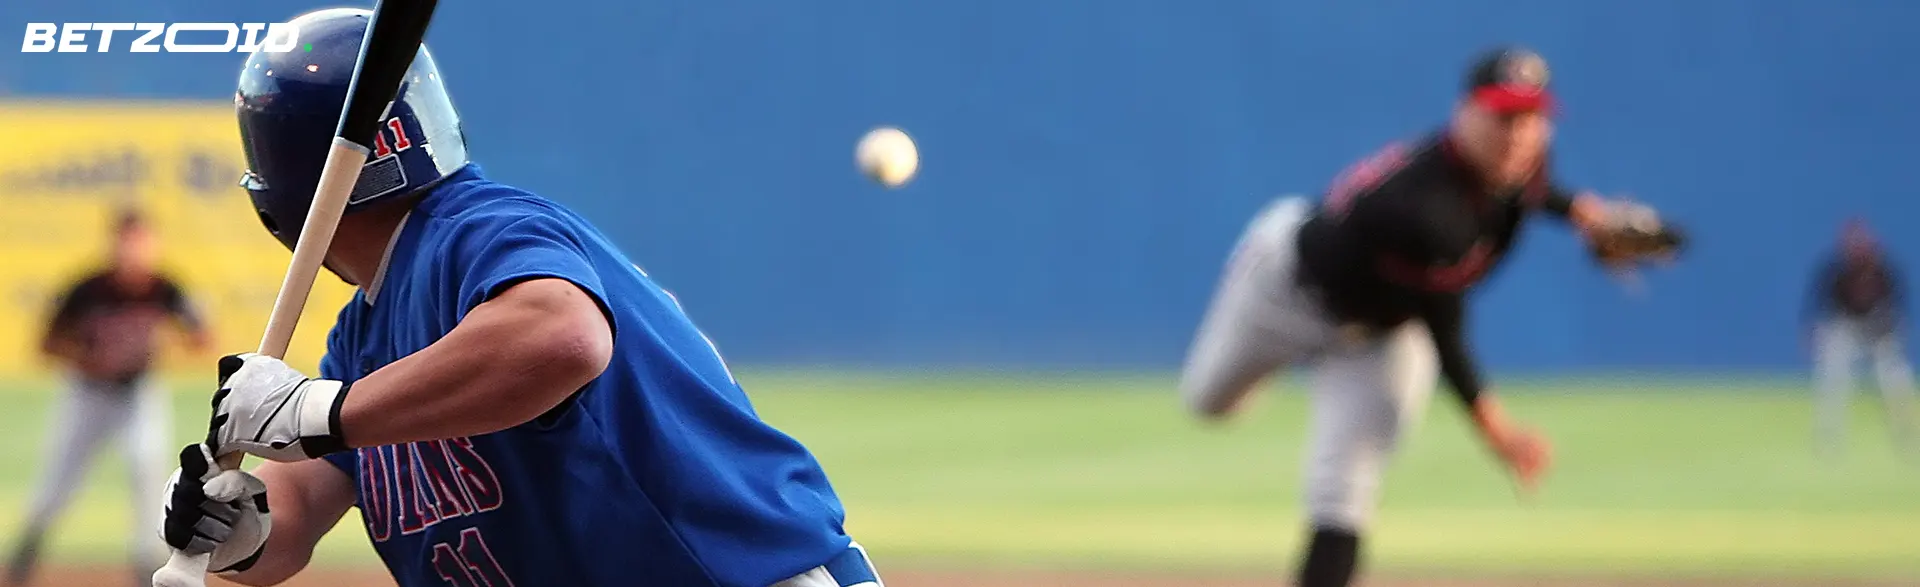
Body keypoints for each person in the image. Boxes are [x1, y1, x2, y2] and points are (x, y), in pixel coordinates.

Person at [154, 8, 882, 587]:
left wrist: (315, 408)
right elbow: (297, 511)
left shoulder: (475, 230)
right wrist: (236, 533)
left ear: (276, 196)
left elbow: (564, 336)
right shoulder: (364, 333)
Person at [1177, 46, 1681, 587]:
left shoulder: (1522, 162)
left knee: (1344, 489)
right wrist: (1500, 434)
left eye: (1531, 117)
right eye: (1502, 116)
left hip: (1380, 333)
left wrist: (1586, 214)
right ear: (1464, 115)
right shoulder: (1421, 210)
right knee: (1208, 401)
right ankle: (1271, 366)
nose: (1517, 133)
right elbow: (1448, 332)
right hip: (1284, 294)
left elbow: (1531, 192)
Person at [6, 208, 210, 587]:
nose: (135, 251)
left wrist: (165, 345)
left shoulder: (164, 288)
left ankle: (145, 563)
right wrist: (87, 360)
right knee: (59, 478)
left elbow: (202, 337)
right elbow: (46, 344)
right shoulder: (88, 289)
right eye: (128, 242)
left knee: (147, 468)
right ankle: (26, 550)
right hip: (87, 395)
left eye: (142, 242)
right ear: (114, 243)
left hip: (138, 393)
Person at [1804, 218, 1918, 459]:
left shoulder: (1884, 271)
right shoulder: (1835, 272)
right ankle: (1829, 441)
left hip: (1879, 334)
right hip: (1847, 331)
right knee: (1833, 382)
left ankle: (1907, 440)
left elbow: (1897, 312)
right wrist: (1816, 337)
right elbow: (1820, 311)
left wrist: (1889, 335)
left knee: (1896, 382)